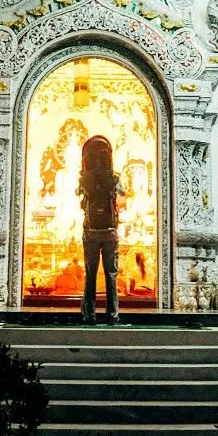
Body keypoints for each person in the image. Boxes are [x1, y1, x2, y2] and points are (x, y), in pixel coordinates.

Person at [78, 135, 123, 325]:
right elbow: (122, 197)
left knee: (91, 274)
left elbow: (78, 197)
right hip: (110, 231)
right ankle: (112, 315)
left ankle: (89, 314)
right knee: (111, 275)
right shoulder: (114, 179)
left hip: (90, 232)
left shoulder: (84, 179)